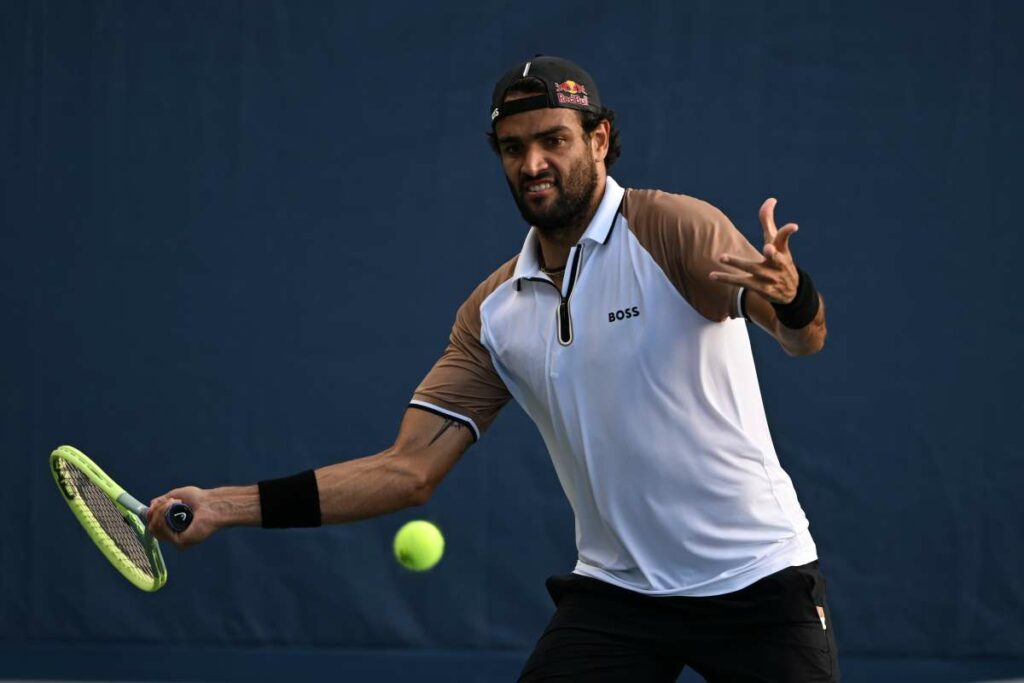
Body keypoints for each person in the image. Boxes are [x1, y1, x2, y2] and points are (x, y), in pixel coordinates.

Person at [149, 55, 838, 681]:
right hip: (620, 594)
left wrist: (795, 295)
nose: (533, 162)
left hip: (757, 580)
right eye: (514, 148)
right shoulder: (495, 312)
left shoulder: (670, 229)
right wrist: (223, 505)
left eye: (553, 140)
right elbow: (407, 471)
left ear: (598, 140)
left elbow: (802, 338)